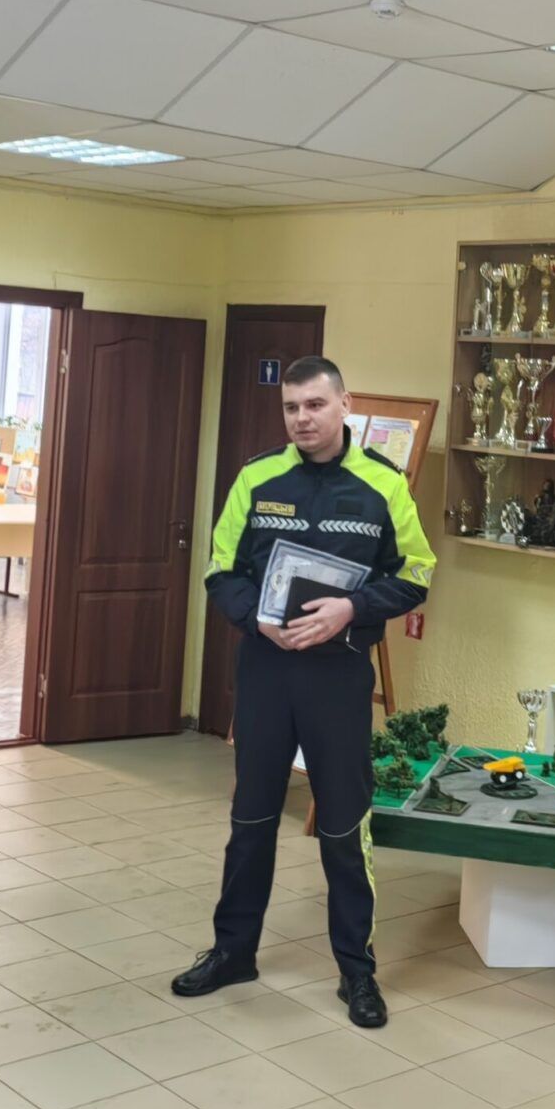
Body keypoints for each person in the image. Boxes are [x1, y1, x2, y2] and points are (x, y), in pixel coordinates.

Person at [170, 356, 435, 1029]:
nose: (302, 419)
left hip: (339, 676)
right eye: (291, 407)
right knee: (251, 819)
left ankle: (357, 972)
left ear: (344, 404)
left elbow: (416, 573)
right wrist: (253, 615)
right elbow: (220, 569)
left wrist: (352, 609)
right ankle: (233, 952)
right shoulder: (257, 478)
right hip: (267, 670)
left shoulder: (383, 484)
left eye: (315, 405)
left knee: (343, 826)